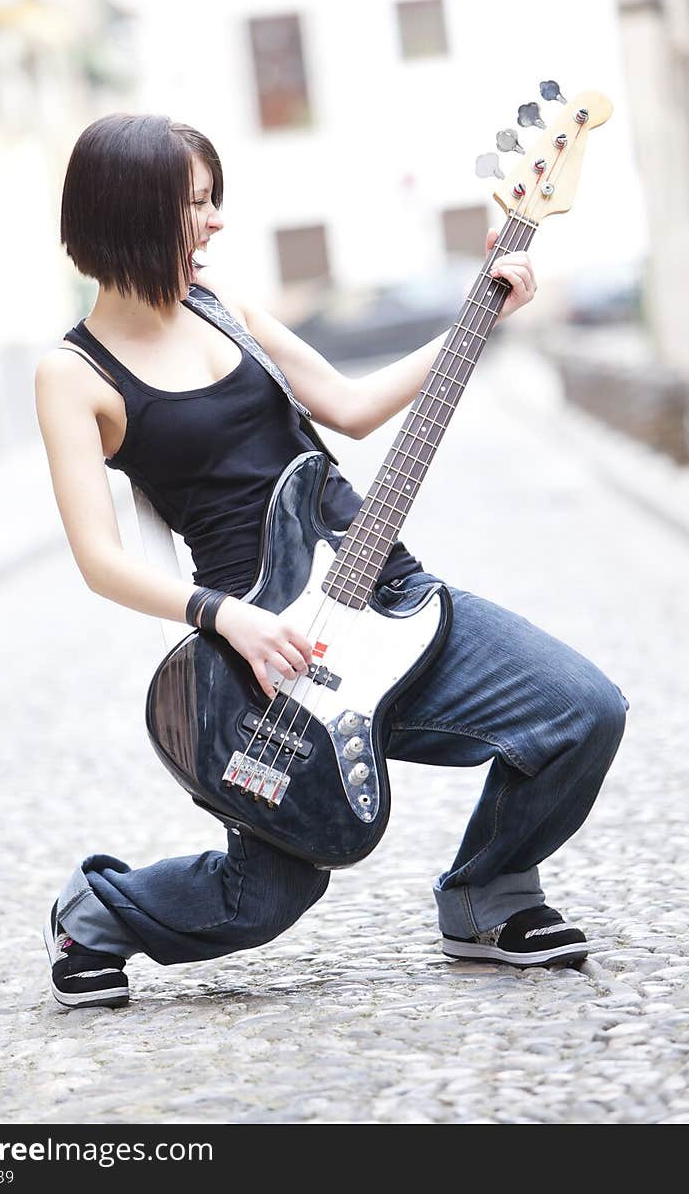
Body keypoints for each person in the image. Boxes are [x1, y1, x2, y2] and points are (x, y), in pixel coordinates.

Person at [34, 113, 627, 1010]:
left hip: (387, 594)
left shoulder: (224, 308)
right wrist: (222, 614)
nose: (217, 221)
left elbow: (349, 408)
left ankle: (487, 896)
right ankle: (98, 914)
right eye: (198, 203)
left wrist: (481, 314)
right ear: (136, 213)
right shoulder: (73, 373)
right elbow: (98, 559)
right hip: (268, 662)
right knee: (265, 900)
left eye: (214, 198)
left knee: (582, 711)